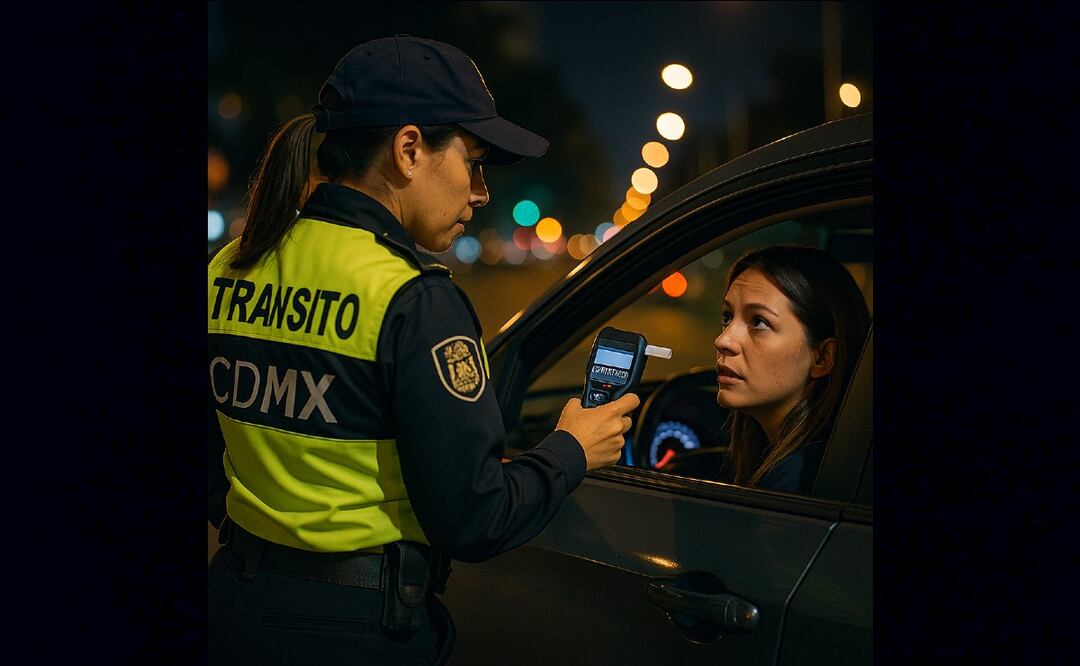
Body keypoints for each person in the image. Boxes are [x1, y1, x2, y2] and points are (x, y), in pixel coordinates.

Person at [207, 35, 639, 666]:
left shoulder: (227, 268)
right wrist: (571, 449)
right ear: (410, 150)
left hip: (232, 606)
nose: (482, 190)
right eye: (474, 160)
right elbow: (475, 519)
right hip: (354, 634)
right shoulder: (411, 297)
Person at [711, 245, 871, 494]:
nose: (723, 341)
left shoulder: (800, 480)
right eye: (727, 317)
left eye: (758, 322)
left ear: (822, 358)